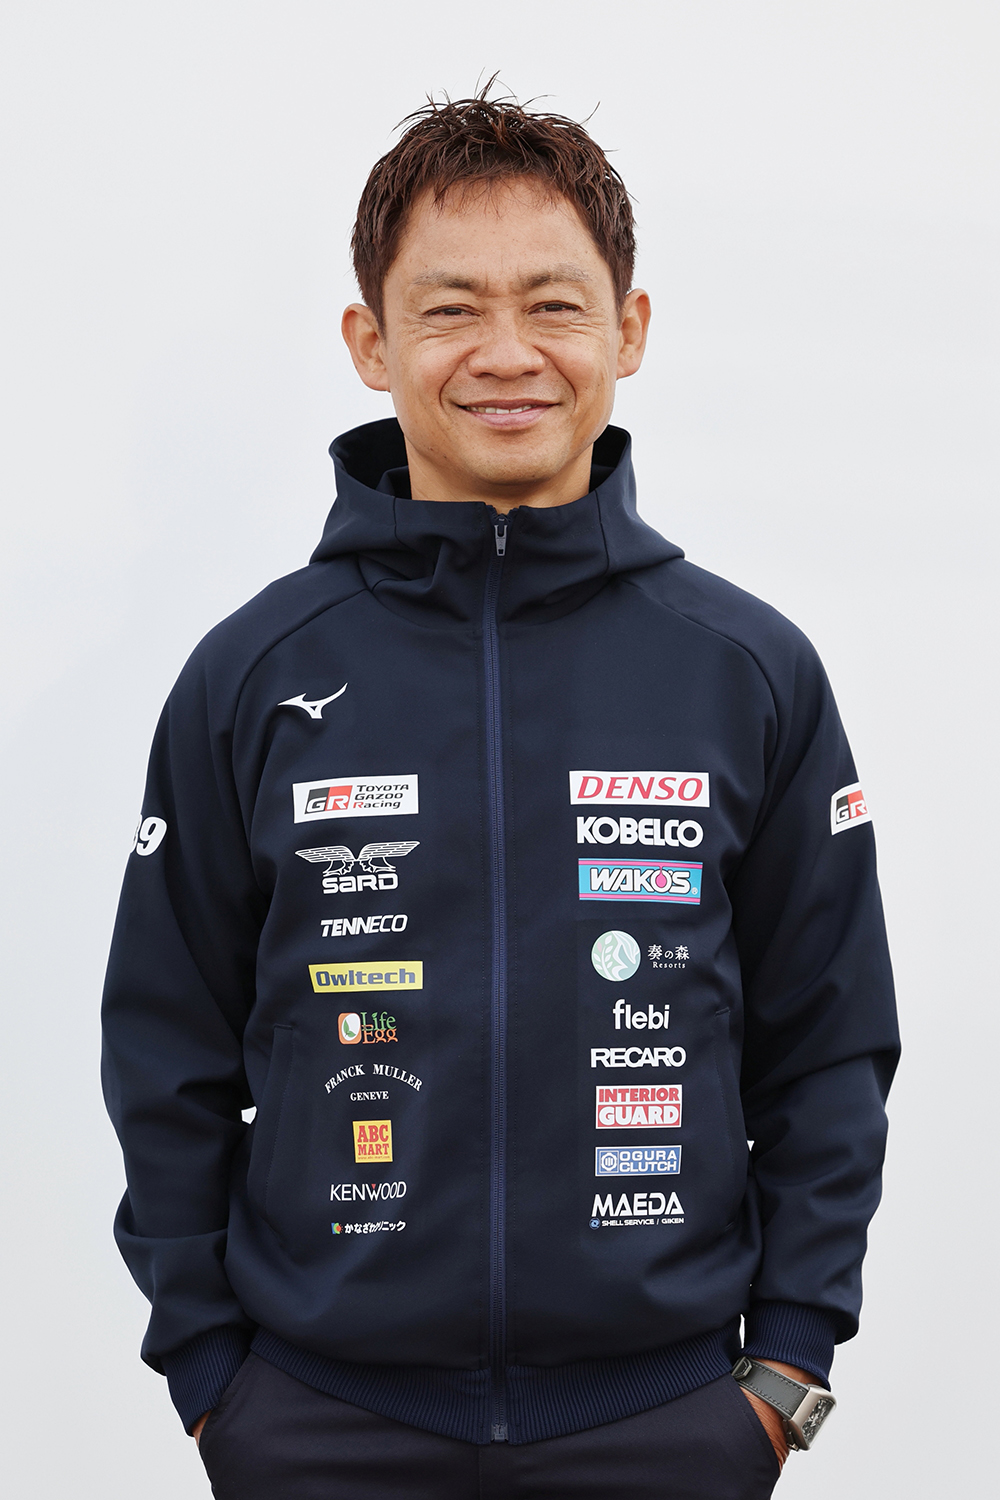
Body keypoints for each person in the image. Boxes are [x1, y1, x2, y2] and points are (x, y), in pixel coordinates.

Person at [102, 89, 899, 1500]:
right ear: (371, 342)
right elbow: (166, 1047)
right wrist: (214, 1377)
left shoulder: (748, 670)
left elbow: (829, 1051)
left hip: (662, 1421)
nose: (508, 353)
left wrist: (784, 1374)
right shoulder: (253, 673)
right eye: (452, 309)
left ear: (629, 330)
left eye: (554, 305)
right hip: (323, 1427)